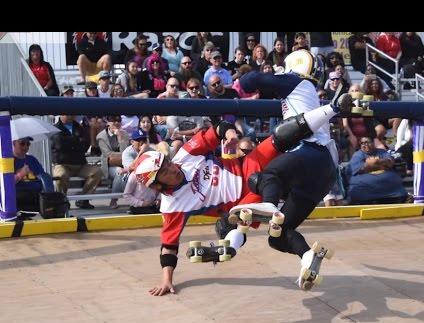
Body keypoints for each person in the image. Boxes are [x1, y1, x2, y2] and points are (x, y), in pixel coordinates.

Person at [135, 49, 354, 296]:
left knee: (279, 138)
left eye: (167, 162)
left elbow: (216, 129)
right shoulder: (172, 207)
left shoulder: (184, 155)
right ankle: (291, 253)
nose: (172, 167)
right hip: (246, 198)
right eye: (165, 171)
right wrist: (167, 279)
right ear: (156, 185)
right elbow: (168, 246)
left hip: (250, 163)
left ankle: (232, 241)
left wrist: (230, 134)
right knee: (251, 222)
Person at [227, 49, 341, 291]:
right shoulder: (307, 91)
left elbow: (249, 82)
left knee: (268, 175)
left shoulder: (295, 81)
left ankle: (268, 204)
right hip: (324, 173)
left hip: (311, 153)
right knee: (279, 235)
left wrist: (254, 72)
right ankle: (308, 256)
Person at [13, 137, 55, 215]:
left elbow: (42, 175)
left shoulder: (32, 159)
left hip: (35, 194)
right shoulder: (7, 161)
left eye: (28, 144)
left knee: (56, 201)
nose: (26, 147)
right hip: (18, 195)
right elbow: (5, 184)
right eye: (22, 144)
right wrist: (20, 175)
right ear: (14, 144)